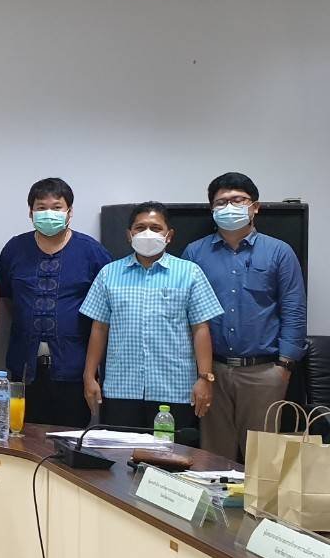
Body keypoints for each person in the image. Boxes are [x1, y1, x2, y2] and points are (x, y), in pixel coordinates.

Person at [182, 173, 308, 461]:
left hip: (264, 372)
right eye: (221, 202)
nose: (229, 207)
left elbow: (293, 309)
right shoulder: (195, 253)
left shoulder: (279, 252)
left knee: (263, 462)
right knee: (213, 460)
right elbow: (185, 313)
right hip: (211, 372)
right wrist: (200, 372)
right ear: (212, 210)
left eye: (238, 200)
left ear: (255, 207)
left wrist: (284, 367)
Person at [80, 203, 223, 431]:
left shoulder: (190, 273)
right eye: (140, 227)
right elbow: (99, 328)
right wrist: (89, 376)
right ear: (129, 235)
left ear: (169, 235)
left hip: (175, 389)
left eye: (156, 228)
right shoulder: (109, 274)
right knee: (120, 452)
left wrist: (205, 378)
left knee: (172, 452)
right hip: (121, 389)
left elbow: (201, 329)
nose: (148, 233)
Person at [0, 178, 111, 428]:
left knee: (69, 439)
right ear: (30, 212)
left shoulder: (91, 252)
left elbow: (106, 309)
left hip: (74, 370)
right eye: (41, 207)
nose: (49, 213)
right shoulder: (15, 249)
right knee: (22, 438)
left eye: (57, 207)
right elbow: (6, 298)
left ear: (69, 211)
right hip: (24, 370)